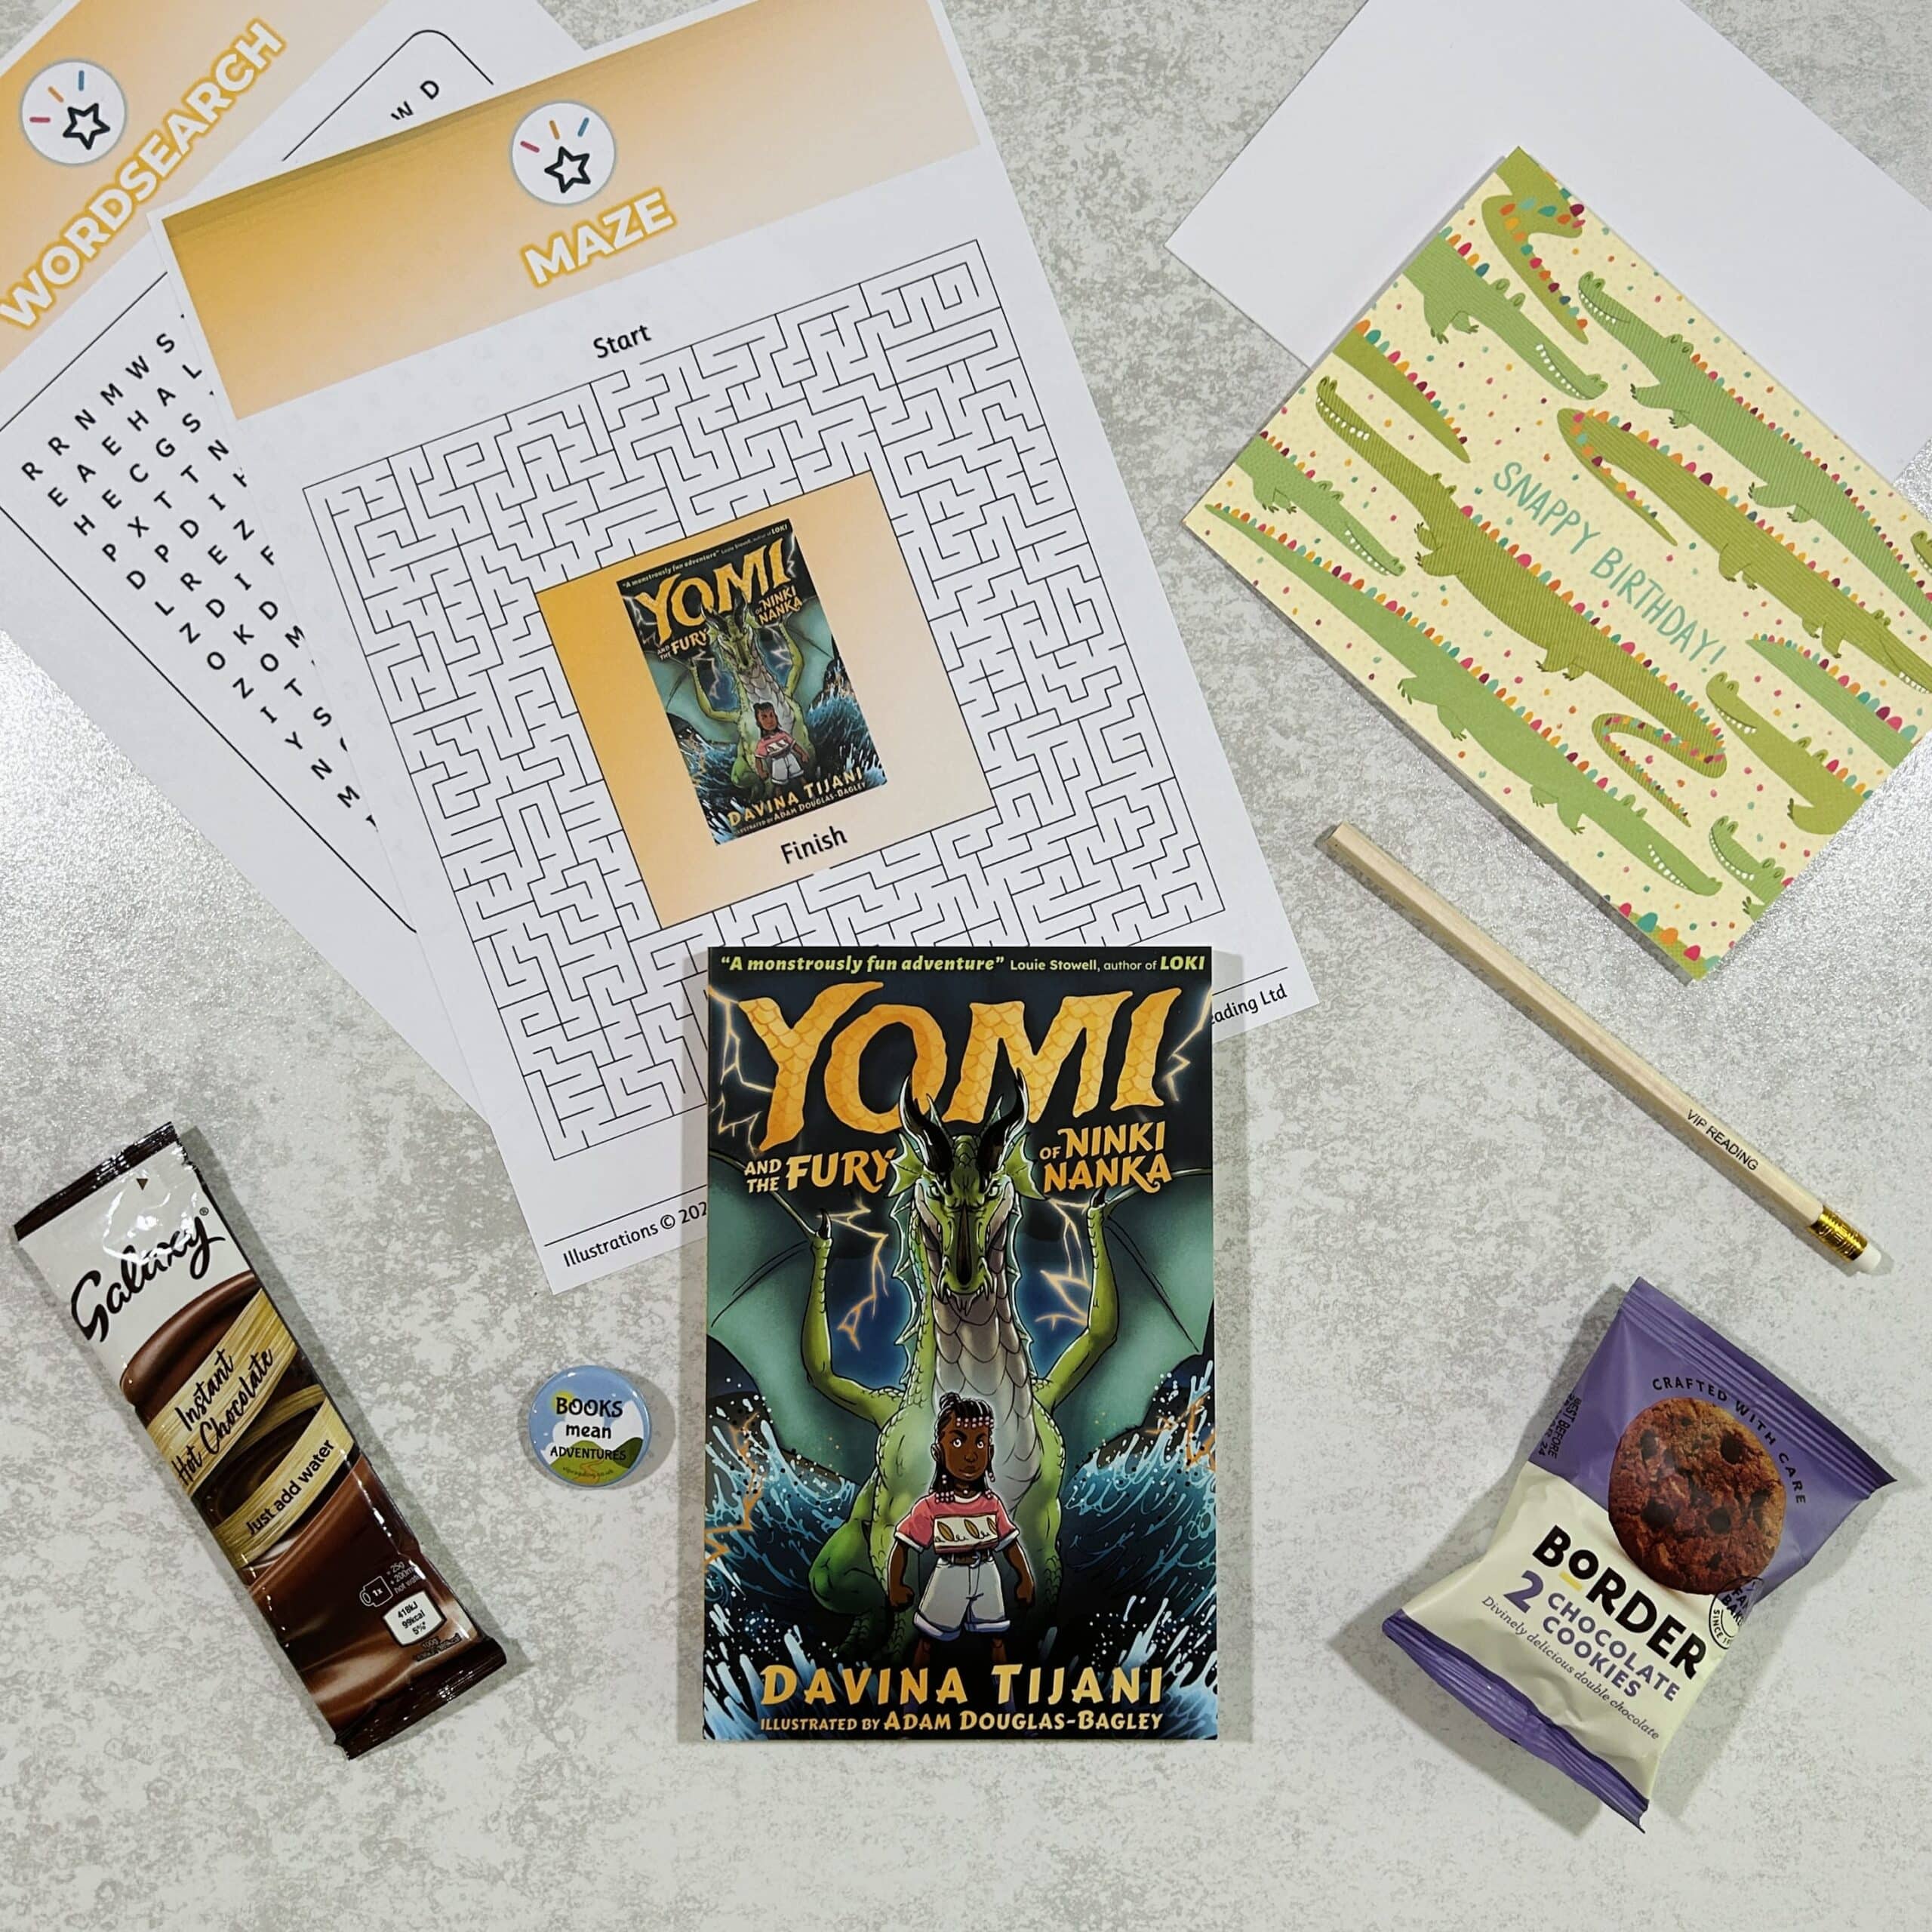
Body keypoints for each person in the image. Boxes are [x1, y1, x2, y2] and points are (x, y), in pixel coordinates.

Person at [887, 1392, 1034, 1669]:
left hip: (986, 1572)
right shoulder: (932, 1506)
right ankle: (914, 1693)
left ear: (990, 1451)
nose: (970, 1454)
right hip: (949, 1574)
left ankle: (1005, 1693)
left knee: (997, 1638)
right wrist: (895, 1585)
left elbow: (1010, 1544)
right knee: (929, 1640)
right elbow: (903, 1544)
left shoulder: (991, 1503)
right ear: (938, 1452)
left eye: (980, 1442)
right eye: (957, 1441)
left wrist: (1025, 1578)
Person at [751, 701, 805, 789]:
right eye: (764, 718)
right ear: (759, 723)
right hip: (778, 763)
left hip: (790, 757)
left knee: (800, 776)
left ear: (776, 717)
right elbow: (758, 758)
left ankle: (809, 791)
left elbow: (794, 745)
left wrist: (803, 754)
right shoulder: (763, 743)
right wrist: (761, 772)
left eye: (771, 715)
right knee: (778, 785)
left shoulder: (783, 734)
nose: (770, 721)